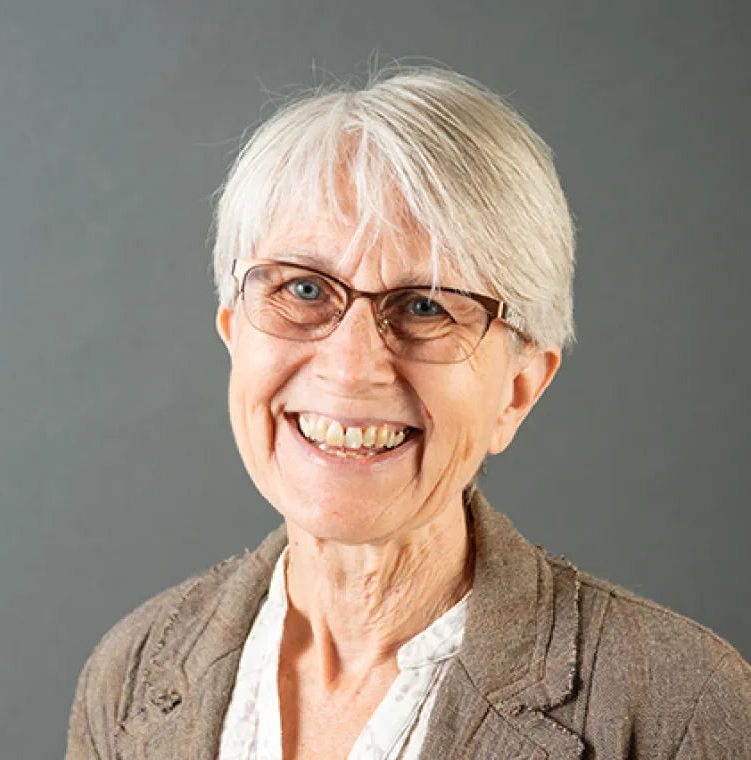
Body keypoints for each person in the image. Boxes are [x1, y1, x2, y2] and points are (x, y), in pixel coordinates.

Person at [66, 66, 750, 759]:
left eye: (425, 306)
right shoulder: (130, 674)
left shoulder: (677, 708)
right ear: (235, 333)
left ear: (517, 390)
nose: (352, 366)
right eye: (303, 288)